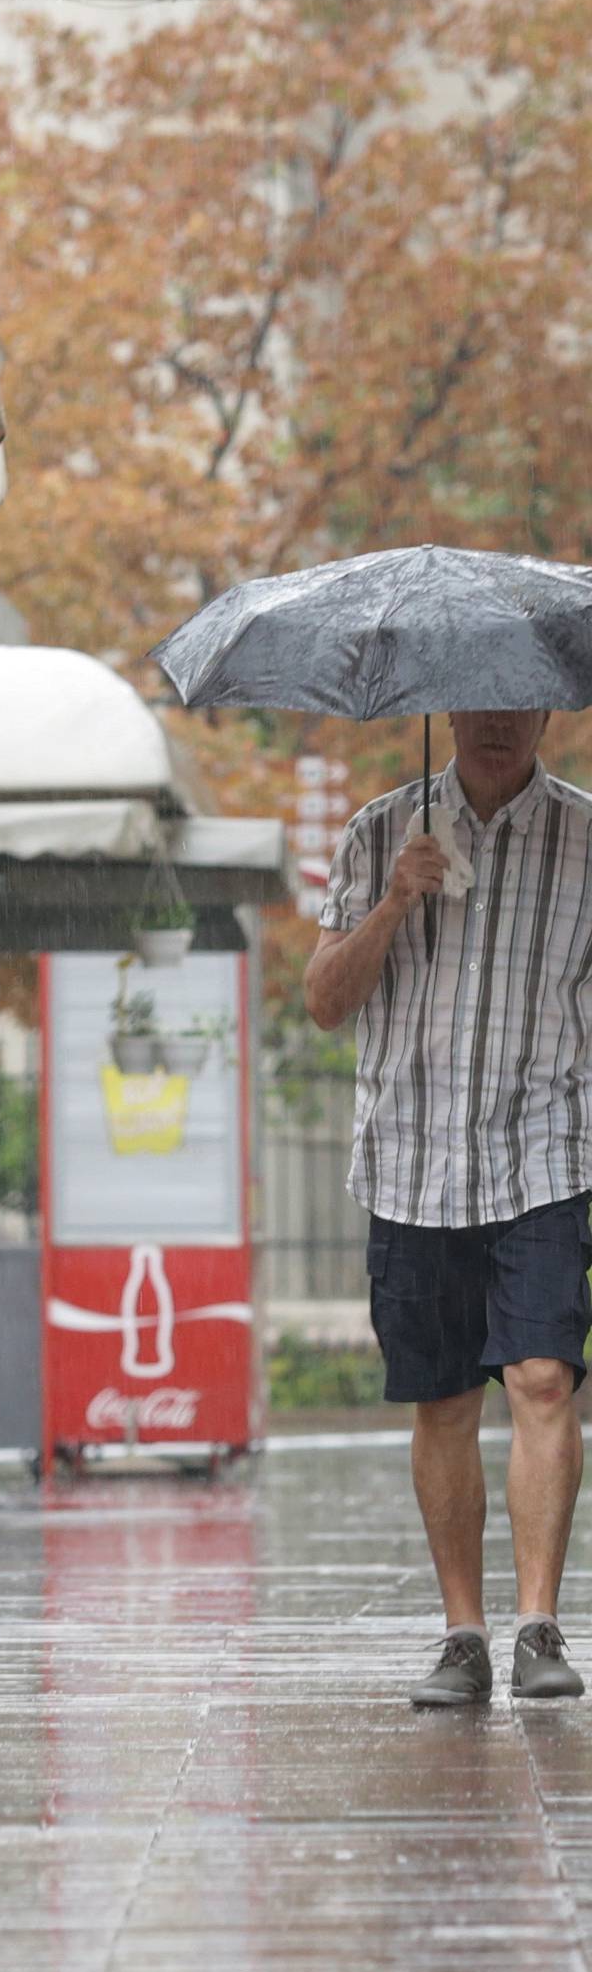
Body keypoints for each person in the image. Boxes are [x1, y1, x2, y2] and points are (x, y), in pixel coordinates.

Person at [308, 710, 592, 1707]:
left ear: (551, 711)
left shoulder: (585, 838)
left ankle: (540, 1627)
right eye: (480, 701)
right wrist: (392, 902)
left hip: (544, 1156)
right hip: (412, 1161)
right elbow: (325, 999)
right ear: (450, 707)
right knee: (442, 1399)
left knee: (546, 1378)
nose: (500, 722)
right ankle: (464, 1631)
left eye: (522, 702)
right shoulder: (380, 831)